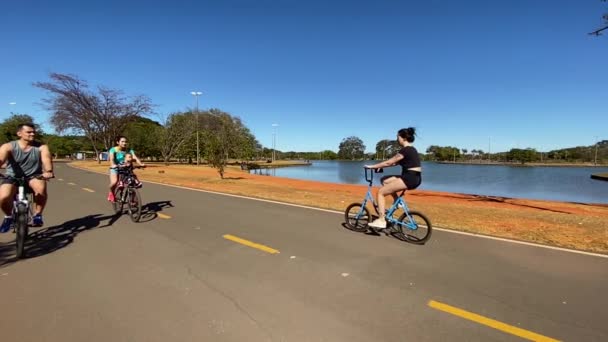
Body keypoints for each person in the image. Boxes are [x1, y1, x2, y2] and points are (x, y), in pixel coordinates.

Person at [0, 123, 54, 232]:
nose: (32, 134)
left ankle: (37, 215)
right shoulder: (8, 146)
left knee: (41, 190)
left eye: (34, 132)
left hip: (34, 176)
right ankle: (8, 217)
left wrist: (48, 171)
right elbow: (1, 159)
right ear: (19, 133)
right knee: (3, 197)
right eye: (29, 132)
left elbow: (46, 159)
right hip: (12, 176)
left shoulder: (41, 147)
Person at [364, 127, 422, 229]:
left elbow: (389, 162)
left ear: (403, 138)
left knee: (380, 193)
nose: (397, 139)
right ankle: (397, 201)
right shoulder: (411, 150)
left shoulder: (406, 150)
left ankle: (381, 220)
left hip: (409, 178)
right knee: (385, 180)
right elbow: (393, 163)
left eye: (397, 136)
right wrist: (380, 166)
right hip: (414, 177)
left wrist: (372, 166)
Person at [107, 136, 144, 202]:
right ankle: (111, 193)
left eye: (125, 142)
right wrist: (113, 165)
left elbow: (135, 158)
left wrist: (140, 164)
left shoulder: (129, 150)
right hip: (116, 167)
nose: (124, 143)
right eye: (122, 141)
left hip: (126, 168)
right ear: (118, 142)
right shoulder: (113, 150)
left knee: (132, 182)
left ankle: (132, 200)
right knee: (114, 182)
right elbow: (111, 159)